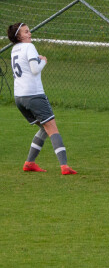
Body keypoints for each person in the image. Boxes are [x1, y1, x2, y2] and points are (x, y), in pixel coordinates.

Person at [7, 23, 77, 175]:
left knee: (44, 129)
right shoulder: (29, 47)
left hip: (19, 97)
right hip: (33, 95)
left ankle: (29, 163)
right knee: (52, 128)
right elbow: (34, 69)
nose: (29, 33)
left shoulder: (14, 50)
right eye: (26, 31)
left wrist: (36, 60)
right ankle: (64, 166)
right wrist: (43, 61)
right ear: (19, 36)